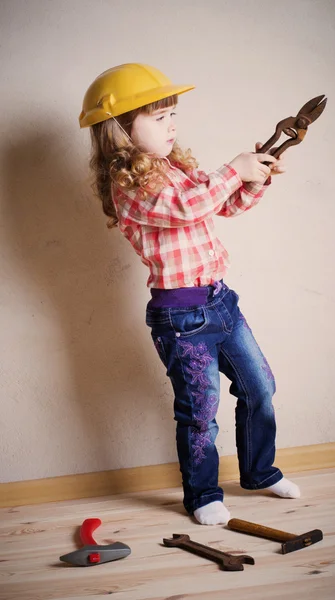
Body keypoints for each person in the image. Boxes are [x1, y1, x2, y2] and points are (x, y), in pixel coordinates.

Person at [80, 63, 301, 525]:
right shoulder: (130, 185)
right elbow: (184, 208)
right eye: (158, 118)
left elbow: (220, 203)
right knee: (200, 412)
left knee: (260, 387)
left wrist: (253, 176)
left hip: (222, 303)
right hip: (181, 318)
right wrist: (231, 168)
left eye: (172, 114)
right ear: (119, 129)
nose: (172, 125)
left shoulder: (176, 169)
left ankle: (259, 473)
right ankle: (202, 495)